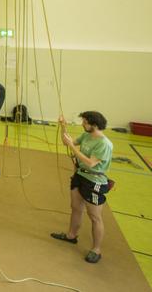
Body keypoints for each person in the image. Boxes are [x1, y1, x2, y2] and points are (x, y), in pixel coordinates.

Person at [51, 111, 113, 263]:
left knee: (95, 217)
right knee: (76, 208)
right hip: (79, 176)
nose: (82, 124)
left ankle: (96, 249)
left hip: (94, 181)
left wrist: (72, 146)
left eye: (85, 122)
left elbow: (91, 162)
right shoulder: (86, 136)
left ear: (95, 125)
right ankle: (71, 235)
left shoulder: (104, 144)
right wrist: (63, 127)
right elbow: (68, 142)